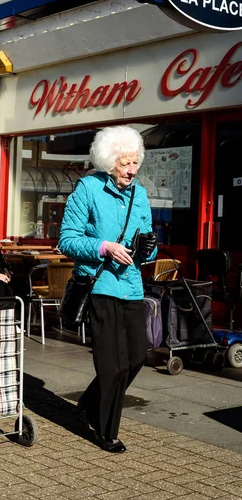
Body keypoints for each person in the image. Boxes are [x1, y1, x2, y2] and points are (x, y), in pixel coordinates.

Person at [58, 125, 157, 453]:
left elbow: (147, 241)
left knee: (136, 357)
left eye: (136, 162)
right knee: (112, 365)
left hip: (131, 286)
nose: (133, 169)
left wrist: (148, 249)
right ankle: (105, 430)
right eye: (126, 163)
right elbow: (67, 240)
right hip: (99, 284)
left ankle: (88, 401)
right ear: (108, 161)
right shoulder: (87, 189)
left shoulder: (139, 193)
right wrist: (104, 248)